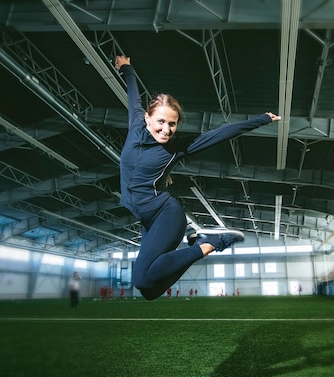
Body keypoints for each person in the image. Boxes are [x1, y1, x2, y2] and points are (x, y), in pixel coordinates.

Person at [114, 55, 281, 300]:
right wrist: (126, 67)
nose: (166, 129)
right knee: (150, 290)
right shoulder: (136, 124)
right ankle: (200, 245)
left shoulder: (177, 147)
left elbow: (219, 134)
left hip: (165, 214)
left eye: (172, 124)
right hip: (148, 220)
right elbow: (133, 95)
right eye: (161, 121)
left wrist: (261, 120)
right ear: (148, 118)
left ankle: (211, 243)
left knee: (142, 278)